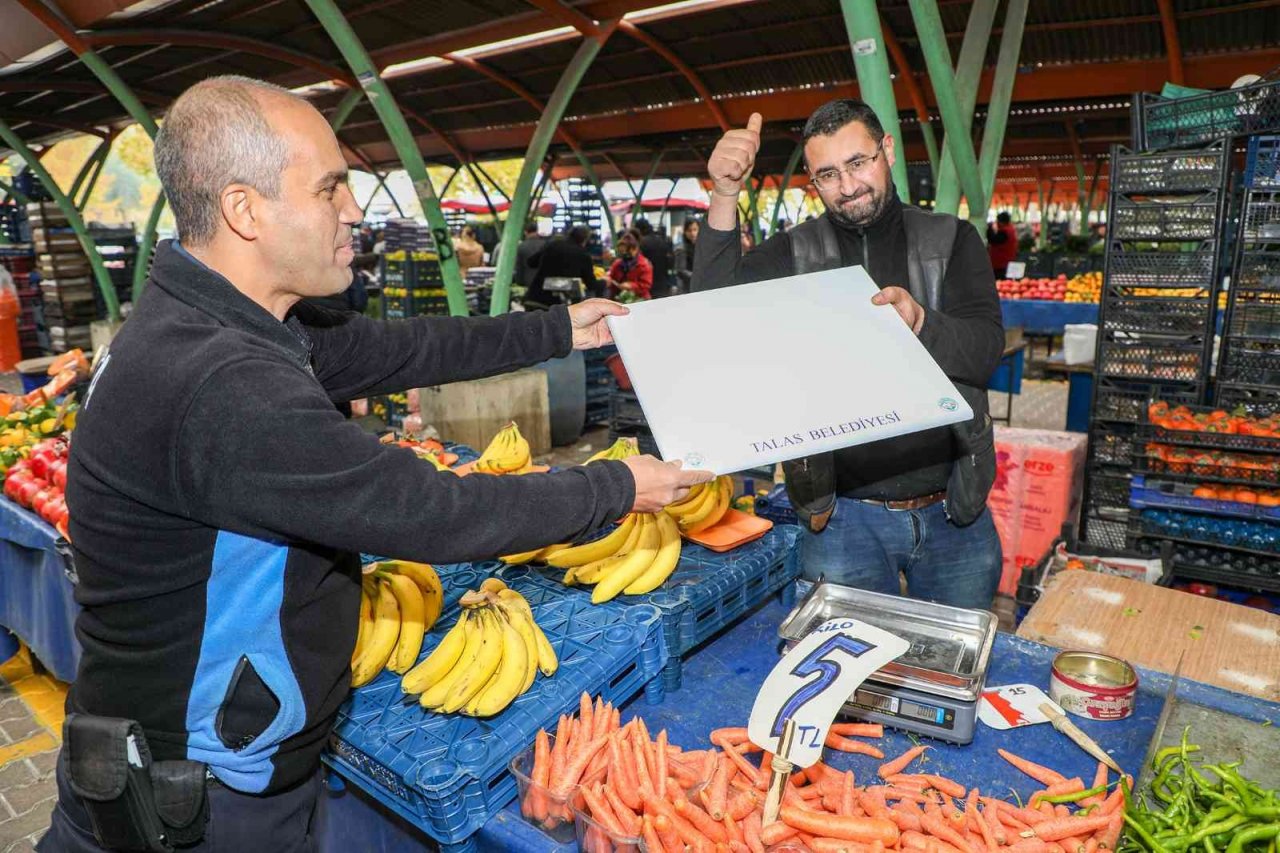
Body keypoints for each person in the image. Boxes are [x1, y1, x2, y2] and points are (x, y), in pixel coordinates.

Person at [43, 76, 710, 853]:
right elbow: (433, 511)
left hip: (187, 768)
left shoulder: (221, 321)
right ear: (244, 210)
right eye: (329, 188)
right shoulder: (221, 385)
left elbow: (397, 348)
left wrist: (559, 330)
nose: (354, 210)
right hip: (197, 801)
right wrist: (619, 484)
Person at [692, 98, 1004, 610]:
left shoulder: (951, 239)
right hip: (840, 518)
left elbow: (985, 351)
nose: (848, 185)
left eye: (858, 162)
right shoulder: (793, 254)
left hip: (954, 510)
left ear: (888, 151)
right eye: (828, 174)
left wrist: (920, 322)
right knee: (848, 657)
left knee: (955, 654)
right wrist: (725, 195)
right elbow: (711, 316)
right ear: (814, 181)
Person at [524, 225, 600, 309]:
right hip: (561, 308)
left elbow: (531, 262)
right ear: (585, 239)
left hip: (535, 298)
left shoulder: (552, 245)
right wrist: (604, 282)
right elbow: (591, 285)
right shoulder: (583, 255)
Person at [607, 232, 653, 300]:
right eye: (621, 252)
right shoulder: (617, 264)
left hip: (639, 300)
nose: (624, 254)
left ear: (635, 249)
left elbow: (646, 285)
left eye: (626, 251)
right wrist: (608, 280)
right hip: (619, 299)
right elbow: (610, 277)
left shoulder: (644, 265)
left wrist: (631, 286)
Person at [633, 218, 673, 297]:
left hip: (648, 285)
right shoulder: (662, 240)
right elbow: (670, 262)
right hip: (663, 284)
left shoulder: (641, 243)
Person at [513, 221, 547, 288]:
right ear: (537, 231)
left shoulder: (522, 247)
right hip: (544, 282)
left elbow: (519, 268)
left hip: (528, 282)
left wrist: (519, 282)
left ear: (525, 232)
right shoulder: (546, 245)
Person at [987, 211, 1019, 278]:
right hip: (1007, 263)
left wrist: (989, 229)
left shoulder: (1004, 232)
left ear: (1001, 222)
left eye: (998, 221)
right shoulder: (1011, 229)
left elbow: (993, 240)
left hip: (1001, 265)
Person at [673, 218, 699, 294]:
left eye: (695, 229)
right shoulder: (681, 248)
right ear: (685, 232)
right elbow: (680, 270)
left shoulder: (700, 245)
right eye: (689, 230)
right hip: (687, 288)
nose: (692, 233)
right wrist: (697, 277)